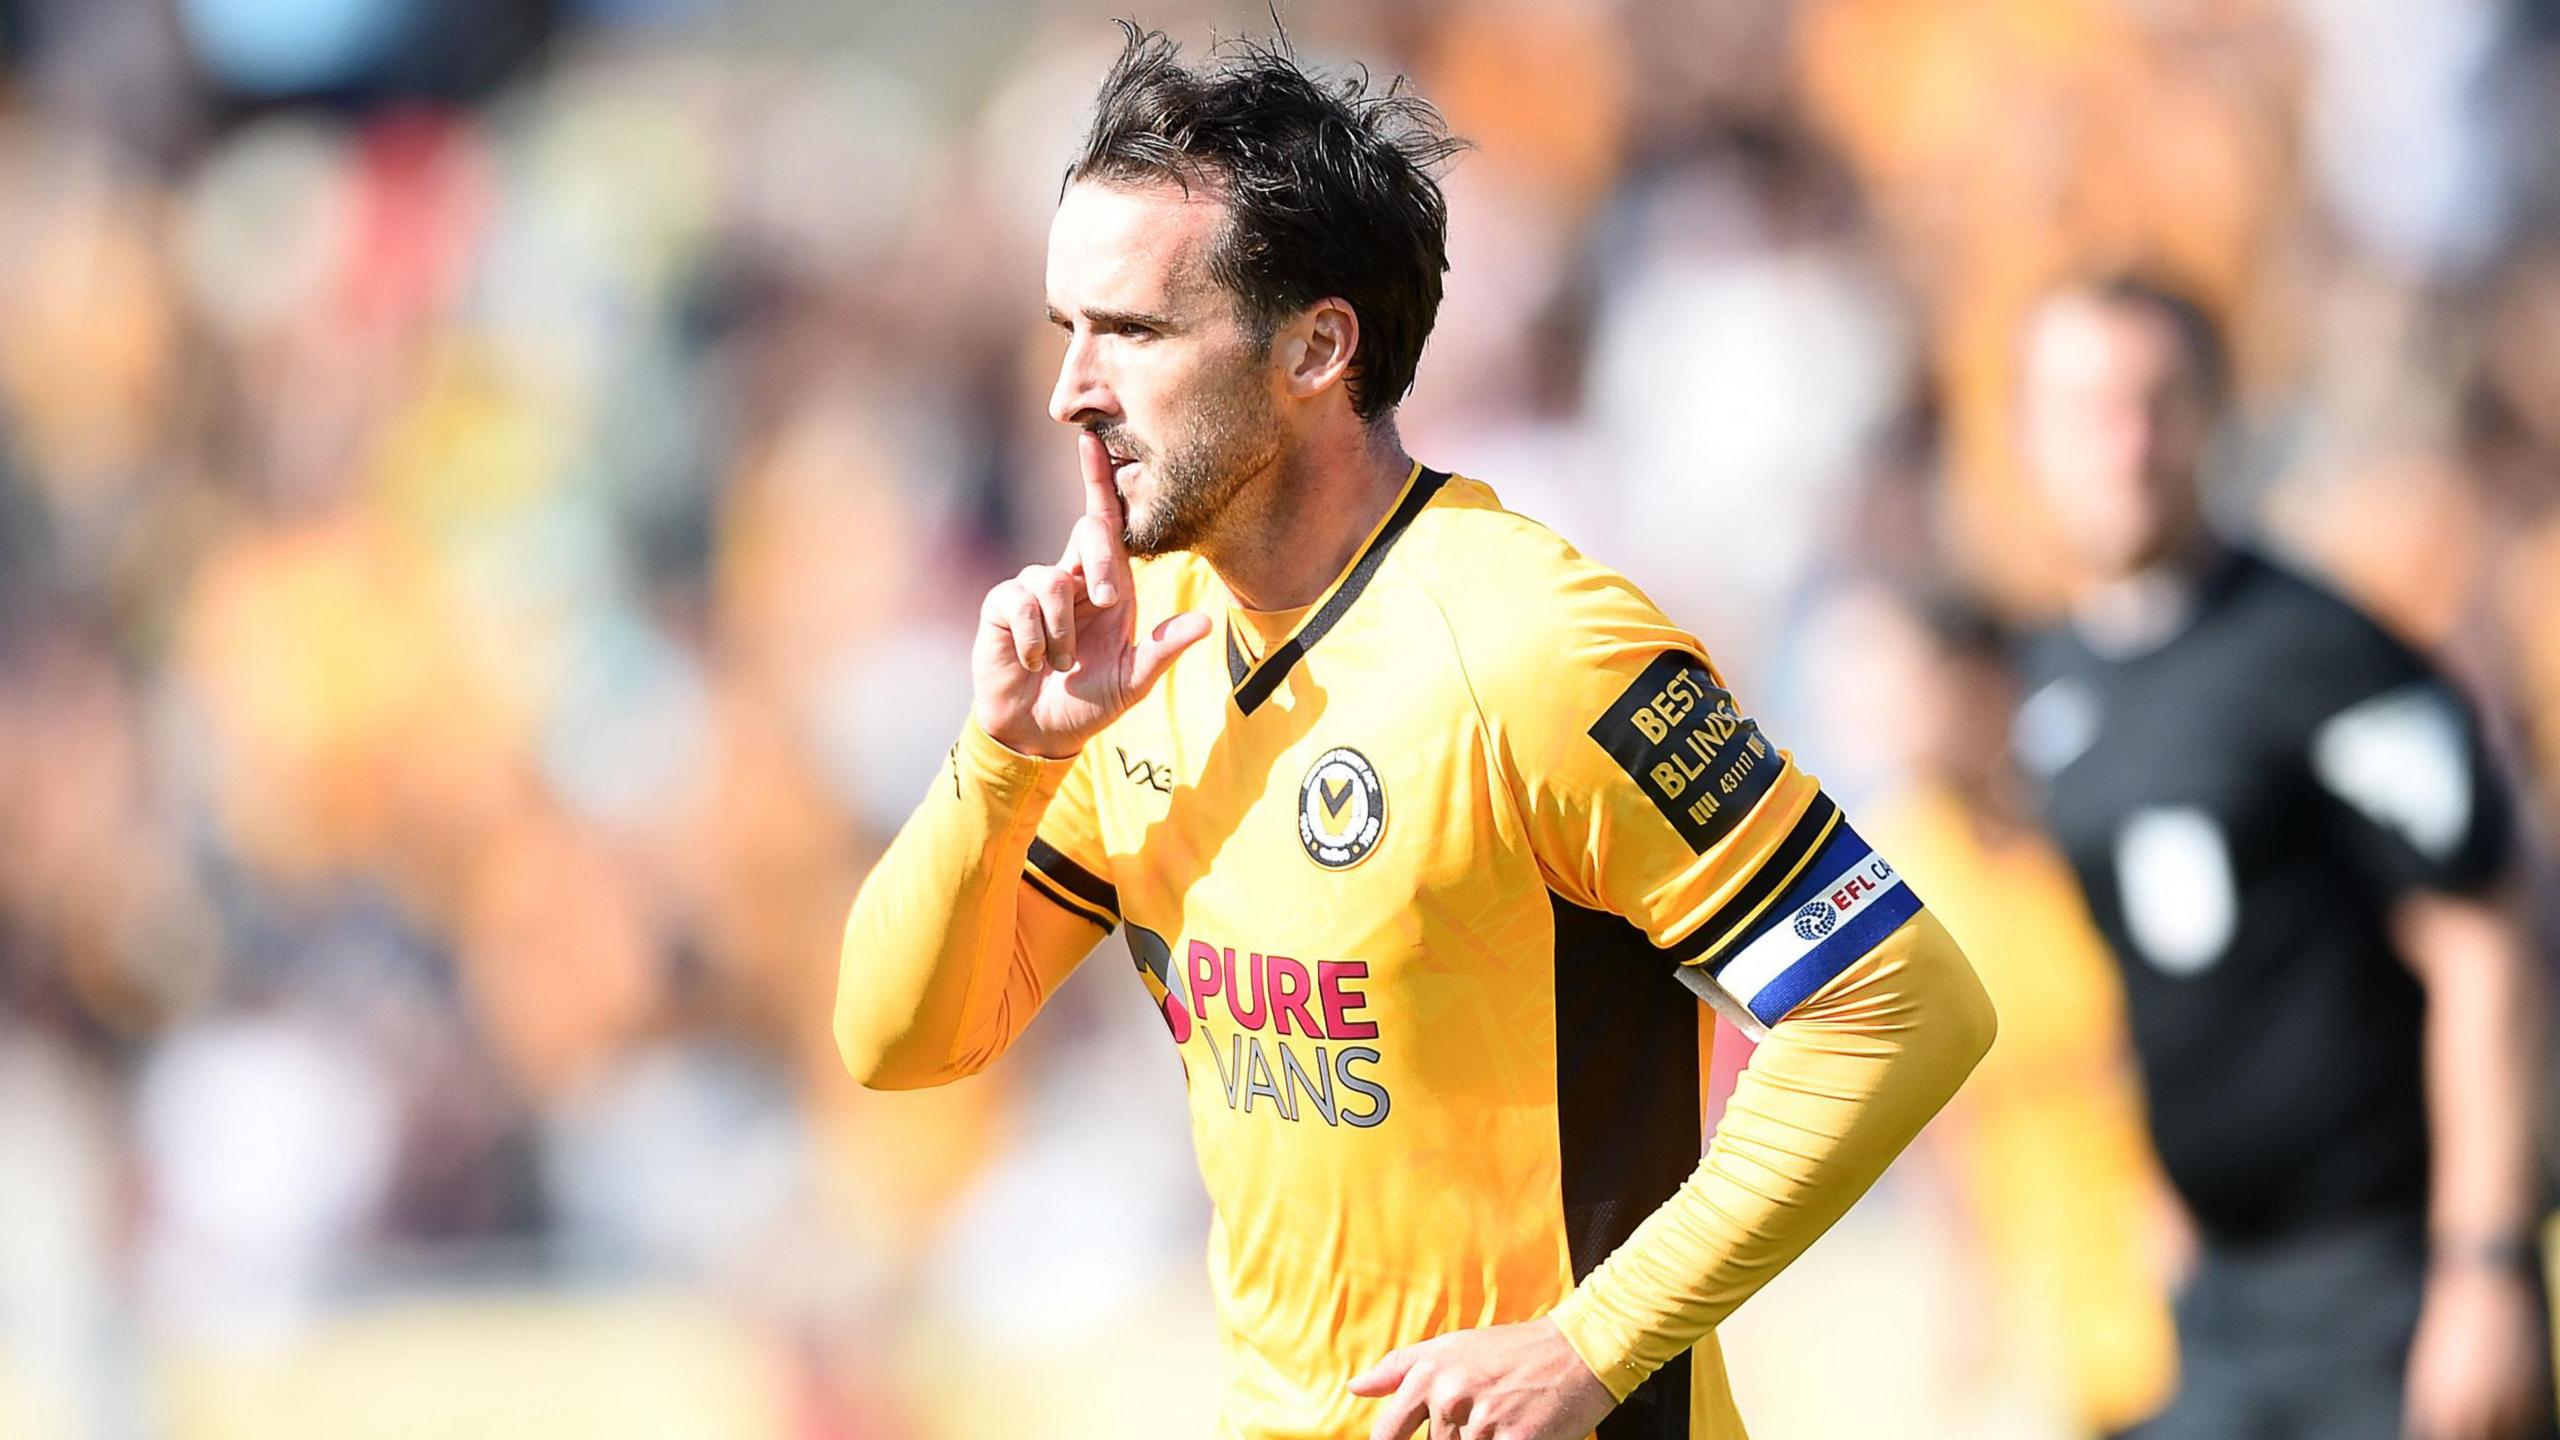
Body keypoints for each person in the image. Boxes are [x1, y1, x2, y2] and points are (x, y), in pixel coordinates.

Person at [834, 27, 1995, 1440]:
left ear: (1318, 347)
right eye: (1064, 329)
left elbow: (1903, 1003)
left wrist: (1594, 1344)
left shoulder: (1537, 646)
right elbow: (899, 1042)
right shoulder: (1140, 652)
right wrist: (1006, 753)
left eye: (1133, 331)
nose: (1073, 388)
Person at [2012, 273, 2553, 1440]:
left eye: (2157, 402)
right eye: (2085, 410)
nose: (2126, 445)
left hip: (2387, 1289)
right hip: (2219, 1306)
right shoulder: (2052, 684)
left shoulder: (2323, 653)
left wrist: (2486, 1264)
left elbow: (2485, 948)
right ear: (2023, 433)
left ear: (2214, 415)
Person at [1859, 585, 2178, 1438]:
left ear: (1985, 687)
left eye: (1906, 678)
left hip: (2167, 1251)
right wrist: (1965, 1284)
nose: (1878, 709)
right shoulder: (1898, 866)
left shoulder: (2088, 824)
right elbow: (1928, 1109)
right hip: (2037, 1294)